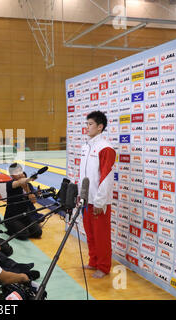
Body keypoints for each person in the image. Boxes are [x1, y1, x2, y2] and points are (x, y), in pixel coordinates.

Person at [79, 110, 116, 279]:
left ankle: (103, 266)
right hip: (86, 199)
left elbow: (106, 177)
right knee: (90, 233)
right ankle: (93, 261)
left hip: (99, 201)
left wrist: (100, 202)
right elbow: (83, 174)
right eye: (86, 124)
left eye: (90, 124)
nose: (87, 127)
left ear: (100, 127)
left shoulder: (106, 148)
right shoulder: (85, 147)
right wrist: (80, 194)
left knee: (101, 236)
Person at [4, 163, 42, 240]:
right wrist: (29, 179)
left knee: (38, 233)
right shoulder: (10, 184)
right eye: (17, 173)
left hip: (25, 216)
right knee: (24, 235)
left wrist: (27, 187)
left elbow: (33, 201)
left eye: (20, 171)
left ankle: (22, 227)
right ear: (12, 175)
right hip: (12, 217)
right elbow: (19, 182)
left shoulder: (29, 185)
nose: (20, 174)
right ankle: (12, 227)